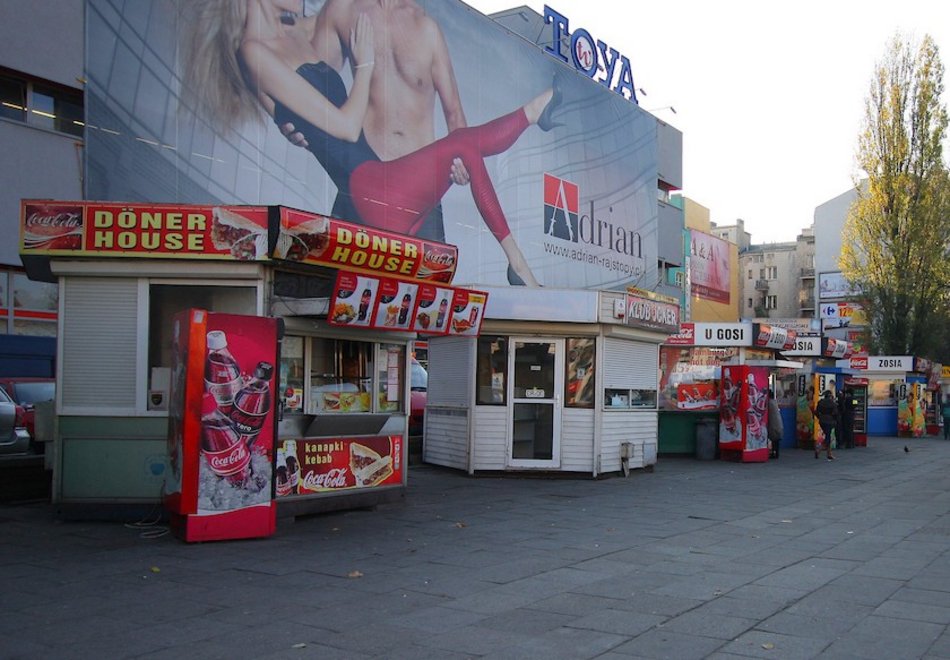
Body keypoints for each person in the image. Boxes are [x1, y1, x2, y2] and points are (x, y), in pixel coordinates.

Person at [183, 0, 551, 286]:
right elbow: (335, 122)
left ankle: (536, 112)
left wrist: (295, 116)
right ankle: (518, 260)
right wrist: (362, 69)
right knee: (346, 305)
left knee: (423, 312)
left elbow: (452, 115)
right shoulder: (317, 23)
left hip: (412, 192)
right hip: (367, 188)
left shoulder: (423, 27)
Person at [282, 0, 468, 244]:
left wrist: (465, 162)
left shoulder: (426, 27)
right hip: (361, 179)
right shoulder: (344, 10)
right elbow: (313, 82)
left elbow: (454, 112)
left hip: (420, 188)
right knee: (345, 278)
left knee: (423, 279)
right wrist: (292, 119)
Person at [813, 389, 838, 461]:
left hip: (822, 421)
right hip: (829, 421)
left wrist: (820, 417)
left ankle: (829, 454)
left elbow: (816, 412)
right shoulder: (832, 403)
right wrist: (834, 419)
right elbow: (835, 413)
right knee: (828, 437)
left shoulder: (820, 402)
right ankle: (819, 450)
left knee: (827, 436)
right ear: (830, 396)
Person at [767, 388, 783, 459]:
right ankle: (776, 453)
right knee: (776, 440)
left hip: (773, 424)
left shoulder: (769, 403)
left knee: (774, 439)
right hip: (778, 424)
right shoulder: (774, 402)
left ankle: (774, 453)